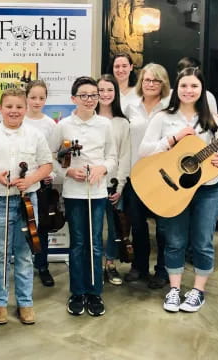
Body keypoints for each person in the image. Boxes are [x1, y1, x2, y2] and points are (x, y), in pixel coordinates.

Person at [139, 67, 218, 313]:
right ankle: (174, 289)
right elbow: (144, 152)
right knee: (175, 241)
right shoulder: (162, 117)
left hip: (207, 190)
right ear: (176, 89)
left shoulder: (212, 121)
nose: (189, 91)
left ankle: (198, 291)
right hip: (174, 189)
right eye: (184, 86)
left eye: (194, 86)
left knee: (202, 242)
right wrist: (173, 139)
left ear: (202, 91)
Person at [0, 88, 52, 325]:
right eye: (9, 107)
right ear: (0, 108)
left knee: (25, 253)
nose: (14, 111)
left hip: (28, 201)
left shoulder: (35, 135)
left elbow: (46, 165)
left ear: (25, 109)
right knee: (0, 254)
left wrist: (30, 180)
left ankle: (25, 303)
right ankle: (0, 303)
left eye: (19, 107)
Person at [50, 76, 116, 317]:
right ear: (73, 99)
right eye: (84, 96)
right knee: (78, 243)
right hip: (74, 193)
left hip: (97, 192)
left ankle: (95, 292)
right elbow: (53, 157)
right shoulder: (64, 126)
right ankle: (77, 292)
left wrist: (102, 169)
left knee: (95, 243)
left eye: (94, 95)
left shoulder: (105, 125)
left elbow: (112, 157)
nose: (90, 100)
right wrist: (68, 171)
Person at [124, 63, 171, 289]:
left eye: (156, 80)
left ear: (163, 84)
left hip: (164, 178)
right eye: (147, 80)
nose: (150, 84)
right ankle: (139, 267)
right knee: (138, 225)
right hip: (136, 173)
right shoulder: (131, 106)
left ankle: (162, 271)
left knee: (163, 228)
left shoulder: (171, 107)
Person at [95, 74, 131, 286]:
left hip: (114, 185)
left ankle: (110, 263)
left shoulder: (122, 122)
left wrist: (121, 184)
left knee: (115, 227)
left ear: (116, 94)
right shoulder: (90, 120)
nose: (105, 94)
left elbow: (125, 155)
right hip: (92, 184)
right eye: (101, 90)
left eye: (110, 90)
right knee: (95, 227)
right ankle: (97, 264)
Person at [23, 80, 57, 287]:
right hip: (20, 182)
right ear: (26, 97)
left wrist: (49, 173)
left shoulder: (50, 124)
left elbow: (52, 155)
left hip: (41, 184)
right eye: (33, 97)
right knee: (21, 226)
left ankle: (42, 265)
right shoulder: (19, 120)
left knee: (40, 227)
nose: (37, 102)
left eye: (41, 98)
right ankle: (22, 265)